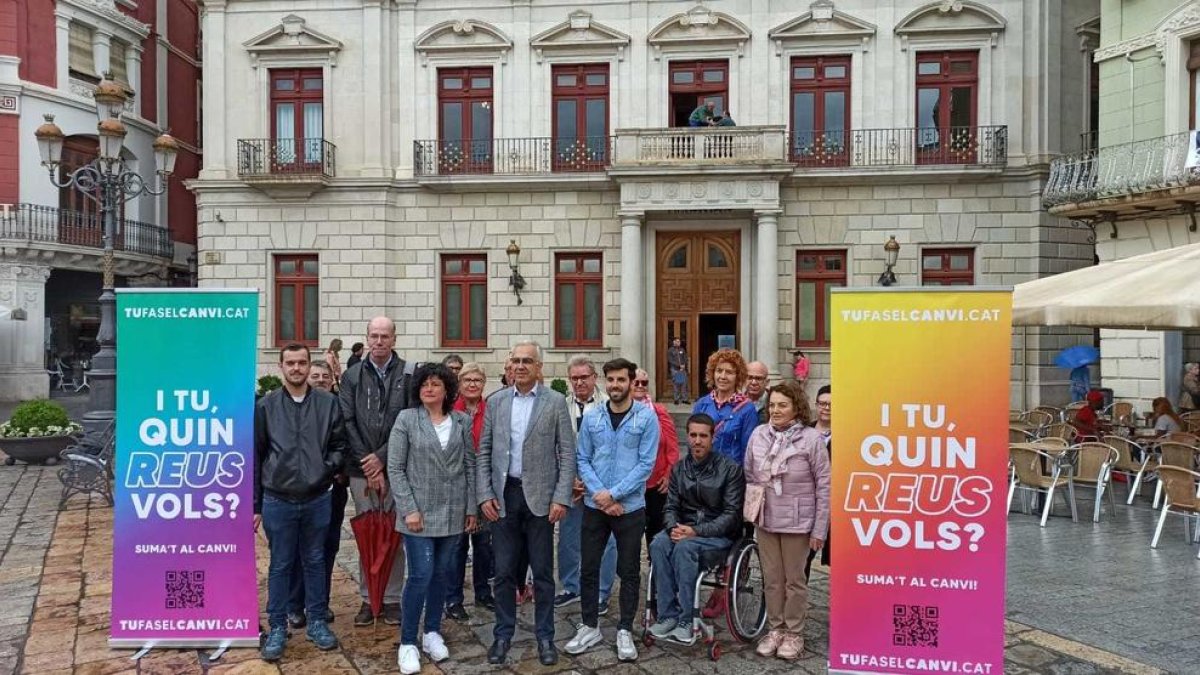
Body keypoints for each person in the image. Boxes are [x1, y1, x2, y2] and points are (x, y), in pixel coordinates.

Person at [477, 340, 576, 667]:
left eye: (527, 361)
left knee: (544, 572)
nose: (520, 366)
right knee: (504, 571)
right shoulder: (496, 402)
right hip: (504, 497)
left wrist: (562, 497)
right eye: (516, 361)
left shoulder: (555, 402)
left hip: (541, 500)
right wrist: (485, 494)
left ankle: (545, 635)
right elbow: (484, 452)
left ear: (538, 367)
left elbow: (567, 453)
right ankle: (503, 633)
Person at [254, 343, 347, 661]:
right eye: (290, 362)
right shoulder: (266, 406)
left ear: (309, 366)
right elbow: (258, 453)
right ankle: (277, 626)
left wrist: (325, 469)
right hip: (278, 499)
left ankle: (318, 621)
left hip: (317, 497)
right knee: (280, 565)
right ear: (281, 367)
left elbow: (339, 444)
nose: (296, 368)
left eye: (302, 362)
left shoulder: (327, 403)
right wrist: (256, 504)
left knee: (315, 561)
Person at [565, 358, 659, 662]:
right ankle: (589, 624)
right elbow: (583, 459)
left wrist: (615, 494)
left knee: (629, 570)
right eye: (611, 380)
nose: (616, 385)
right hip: (595, 506)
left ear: (631, 382)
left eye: (621, 380)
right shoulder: (592, 418)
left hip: (630, 509)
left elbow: (646, 465)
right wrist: (601, 496)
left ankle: (624, 629)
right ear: (605, 382)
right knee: (589, 567)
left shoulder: (646, 419)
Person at [388, 364, 478, 674]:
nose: (429, 388)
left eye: (436, 384)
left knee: (442, 574)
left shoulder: (462, 421)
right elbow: (396, 468)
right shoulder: (407, 420)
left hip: (453, 512)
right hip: (419, 515)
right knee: (420, 574)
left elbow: (470, 466)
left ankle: (432, 632)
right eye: (425, 384)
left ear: (446, 390)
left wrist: (471, 508)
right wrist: (408, 508)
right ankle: (408, 642)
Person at [339, 316, 416, 626]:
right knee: (368, 534)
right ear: (367, 338)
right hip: (362, 471)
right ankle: (367, 597)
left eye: (385, 336)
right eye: (374, 335)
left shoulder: (409, 374)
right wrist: (369, 463)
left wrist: (383, 458)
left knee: (394, 533)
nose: (380, 341)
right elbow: (347, 420)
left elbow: (409, 419)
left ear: (394, 339)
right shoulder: (352, 375)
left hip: (397, 467)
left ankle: (393, 598)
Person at [745, 381, 829, 661]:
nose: (776, 410)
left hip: (798, 521)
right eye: (772, 405)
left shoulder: (811, 439)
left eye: (783, 405)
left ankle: (794, 632)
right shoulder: (758, 435)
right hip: (767, 519)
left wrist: (820, 528)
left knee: (795, 581)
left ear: (796, 407)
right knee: (771, 580)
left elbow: (824, 486)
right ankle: (775, 628)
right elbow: (750, 474)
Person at [647, 414, 745, 645]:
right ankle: (667, 614)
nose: (697, 441)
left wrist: (696, 531)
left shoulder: (730, 470)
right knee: (658, 543)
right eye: (693, 435)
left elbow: (731, 515)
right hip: (684, 529)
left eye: (703, 436)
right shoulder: (679, 469)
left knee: (684, 549)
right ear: (687, 437)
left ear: (712, 438)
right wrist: (673, 528)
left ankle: (687, 619)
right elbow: (670, 506)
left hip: (717, 535)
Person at [287, 360, 349, 629]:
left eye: (326, 376)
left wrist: (336, 468)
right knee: (298, 550)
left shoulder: (337, 407)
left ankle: (319, 603)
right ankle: (294, 604)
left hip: (332, 490)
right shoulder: (293, 408)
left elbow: (345, 443)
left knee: (327, 548)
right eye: (316, 376)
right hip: (298, 492)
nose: (321, 379)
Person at [556, 355, 617, 610]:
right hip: (570, 484)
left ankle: (602, 592)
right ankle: (571, 586)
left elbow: (614, 449)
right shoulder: (560, 406)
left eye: (584, 377)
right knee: (568, 537)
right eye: (575, 378)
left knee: (606, 539)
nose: (579, 382)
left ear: (595, 378)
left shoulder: (610, 406)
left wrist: (593, 482)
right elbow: (556, 446)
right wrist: (569, 479)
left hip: (602, 485)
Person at [445, 363, 496, 621]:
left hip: (484, 485)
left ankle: (483, 592)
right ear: (460, 384)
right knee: (457, 546)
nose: (472, 384)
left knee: (484, 544)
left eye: (477, 379)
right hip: (457, 487)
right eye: (468, 380)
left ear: (483, 383)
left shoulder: (491, 411)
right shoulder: (450, 412)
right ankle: (453, 598)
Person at [632, 368, 680, 550]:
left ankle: (656, 573)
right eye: (636, 382)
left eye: (644, 383)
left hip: (656, 484)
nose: (640, 386)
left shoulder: (659, 412)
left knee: (656, 533)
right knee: (630, 536)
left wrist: (668, 475)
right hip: (631, 485)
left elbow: (673, 448)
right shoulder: (620, 411)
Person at [692, 349, 759, 465]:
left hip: (730, 476)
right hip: (703, 473)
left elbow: (747, 451)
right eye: (719, 371)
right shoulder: (701, 404)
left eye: (729, 372)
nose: (723, 376)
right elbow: (692, 443)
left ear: (738, 377)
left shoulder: (747, 409)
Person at [805, 385, 832, 579]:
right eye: (822, 403)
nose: (826, 408)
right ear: (816, 405)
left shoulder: (847, 434)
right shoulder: (804, 432)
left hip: (832, 502)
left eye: (831, 404)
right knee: (803, 557)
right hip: (807, 501)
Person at [667, 338, 690, 405]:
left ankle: (684, 399)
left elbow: (685, 358)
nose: (678, 342)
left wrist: (684, 365)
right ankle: (676, 399)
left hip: (682, 369)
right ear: (674, 342)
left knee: (684, 384)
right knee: (676, 384)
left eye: (679, 341)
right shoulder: (670, 350)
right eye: (677, 341)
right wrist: (678, 366)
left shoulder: (682, 349)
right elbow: (670, 360)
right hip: (675, 369)